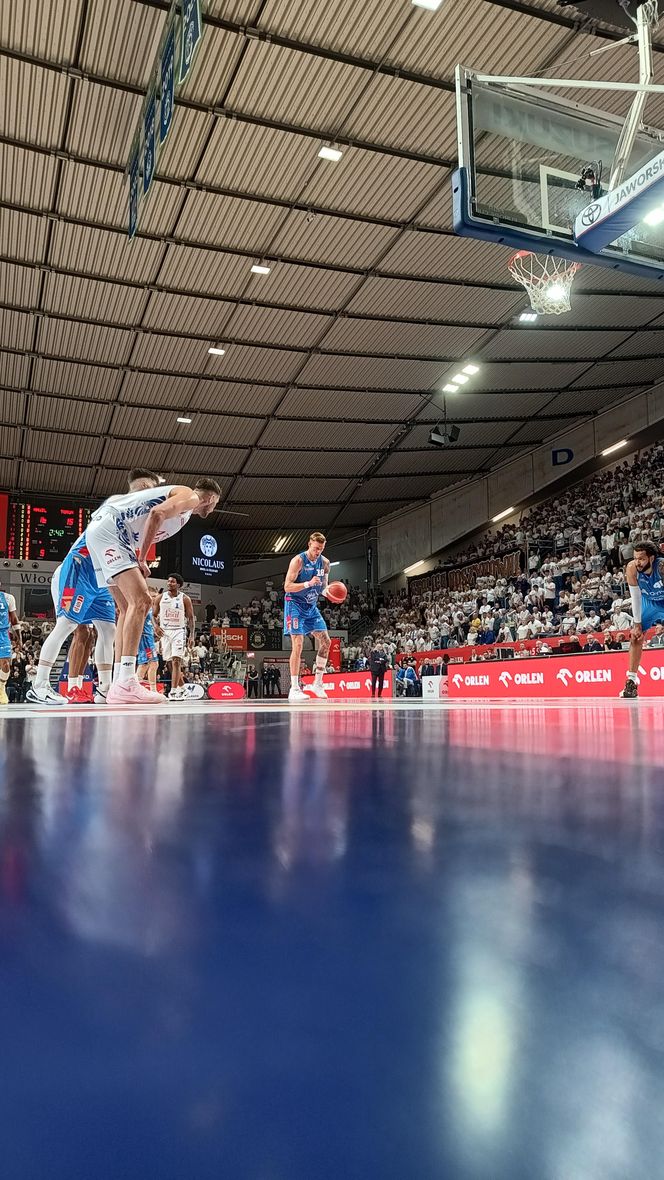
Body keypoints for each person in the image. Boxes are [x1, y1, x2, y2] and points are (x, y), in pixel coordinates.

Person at [32, 468, 160, 706]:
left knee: (109, 630)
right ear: (143, 488)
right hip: (79, 567)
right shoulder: (118, 503)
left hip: (103, 576)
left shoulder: (136, 521)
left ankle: (106, 688)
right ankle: (39, 685)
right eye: (153, 489)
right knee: (67, 625)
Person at [283, 532, 332, 702]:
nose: (318, 551)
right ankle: (294, 688)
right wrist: (307, 584)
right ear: (309, 544)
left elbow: (324, 588)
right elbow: (287, 587)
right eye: (316, 548)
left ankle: (318, 684)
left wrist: (330, 593)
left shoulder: (325, 563)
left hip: (311, 607)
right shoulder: (298, 561)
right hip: (294, 605)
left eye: (321, 549)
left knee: (326, 642)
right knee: (298, 643)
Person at [621, 540, 664, 697]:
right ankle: (631, 682)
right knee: (635, 636)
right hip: (648, 602)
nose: (637, 562)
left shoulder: (661, 568)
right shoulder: (632, 568)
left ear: (651, 558)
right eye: (635, 557)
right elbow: (635, 597)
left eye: (641, 558)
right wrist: (637, 624)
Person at [155, 574, 196, 701]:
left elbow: (190, 618)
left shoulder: (185, 599)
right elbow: (153, 615)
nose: (169, 584)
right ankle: (183, 689)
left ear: (178, 584)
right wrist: (155, 627)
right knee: (169, 664)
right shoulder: (160, 598)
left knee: (176, 660)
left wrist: (192, 635)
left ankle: (173, 692)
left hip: (179, 630)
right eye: (168, 581)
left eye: (172, 582)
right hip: (165, 632)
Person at [0, 586, 21, 705]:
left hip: (2, 633)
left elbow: (14, 619)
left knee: (6, 664)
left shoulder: (8, 598)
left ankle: (1, 688)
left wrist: (19, 638)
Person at [137, 588, 160, 692]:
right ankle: (153, 690)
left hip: (148, 637)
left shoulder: (151, 609)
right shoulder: (145, 607)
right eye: (153, 596)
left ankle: (136, 685)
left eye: (156, 596)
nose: (155, 598)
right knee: (153, 663)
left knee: (145, 663)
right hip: (145, 638)